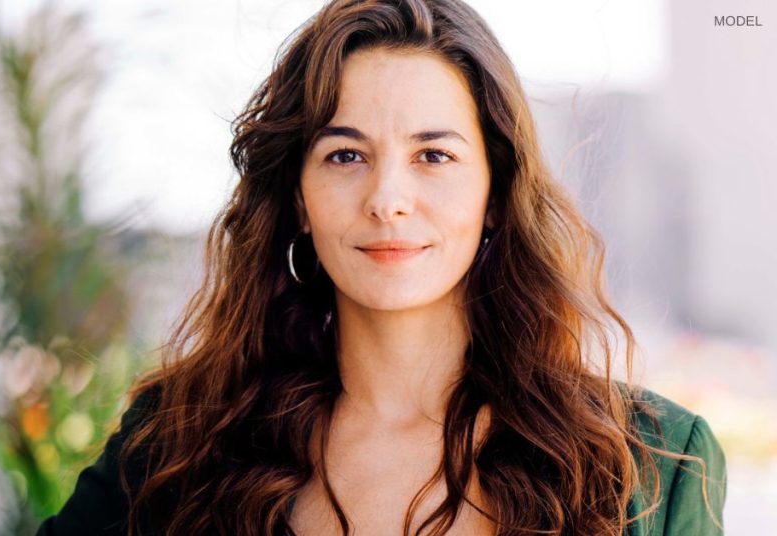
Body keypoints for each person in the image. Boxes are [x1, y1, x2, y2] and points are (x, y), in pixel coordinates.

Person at [36, 0, 727, 534]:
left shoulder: (652, 463)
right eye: (344, 155)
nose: (388, 200)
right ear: (298, 201)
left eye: (434, 156)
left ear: (495, 194)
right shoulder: (180, 442)